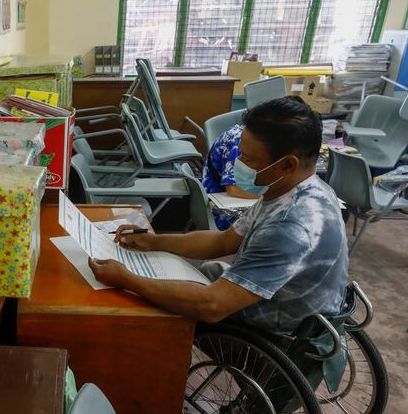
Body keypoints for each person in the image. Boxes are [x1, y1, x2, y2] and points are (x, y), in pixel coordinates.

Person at [89, 97, 348, 335]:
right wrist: (153, 241)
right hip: (260, 296)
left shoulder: (290, 226)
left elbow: (212, 306)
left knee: (141, 311)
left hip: (275, 330)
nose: (239, 166)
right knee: (171, 273)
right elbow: (222, 242)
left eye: (248, 159)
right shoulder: (294, 190)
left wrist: (127, 279)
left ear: (288, 164)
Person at [202, 124, 258, 230]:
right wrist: (272, 195)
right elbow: (234, 189)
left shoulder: (254, 134)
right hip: (222, 212)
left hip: (243, 202)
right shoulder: (240, 141)